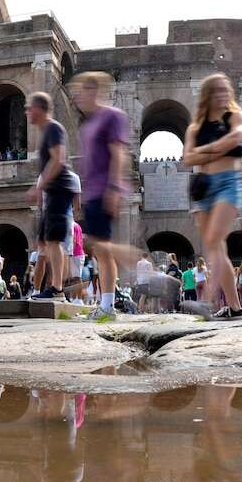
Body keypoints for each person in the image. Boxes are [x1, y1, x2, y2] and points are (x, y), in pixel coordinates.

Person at [182, 73, 242, 321]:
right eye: (217, 90)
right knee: (216, 248)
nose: (223, 94)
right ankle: (234, 308)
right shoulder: (195, 127)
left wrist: (204, 152)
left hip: (229, 183)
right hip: (203, 186)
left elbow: (237, 136)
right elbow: (187, 158)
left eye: (226, 89)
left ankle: (206, 301)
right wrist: (221, 149)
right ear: (207, 95)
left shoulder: (236, 116)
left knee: (213, 239)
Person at [71, 72, 134, 318]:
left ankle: (109, 305)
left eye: (81, 90)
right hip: (92, 191)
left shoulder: (112, 116)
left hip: (105, 188)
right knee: (99, 251)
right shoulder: (89, 123)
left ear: (93, 90)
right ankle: (106, 305)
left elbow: (118, 152)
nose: (77, 96)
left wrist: (114, 188)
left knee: (102, 249)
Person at [25, 91, 80, 300]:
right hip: (53, 191)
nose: (28, 112)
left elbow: (58, 159)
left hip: (59, 189)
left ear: (39, 108)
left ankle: (56, 289)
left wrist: (39, 187)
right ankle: (48, 287)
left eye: (30, 108)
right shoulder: (47, 131)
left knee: (54, 241)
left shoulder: (54, 128)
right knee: (44, 242)